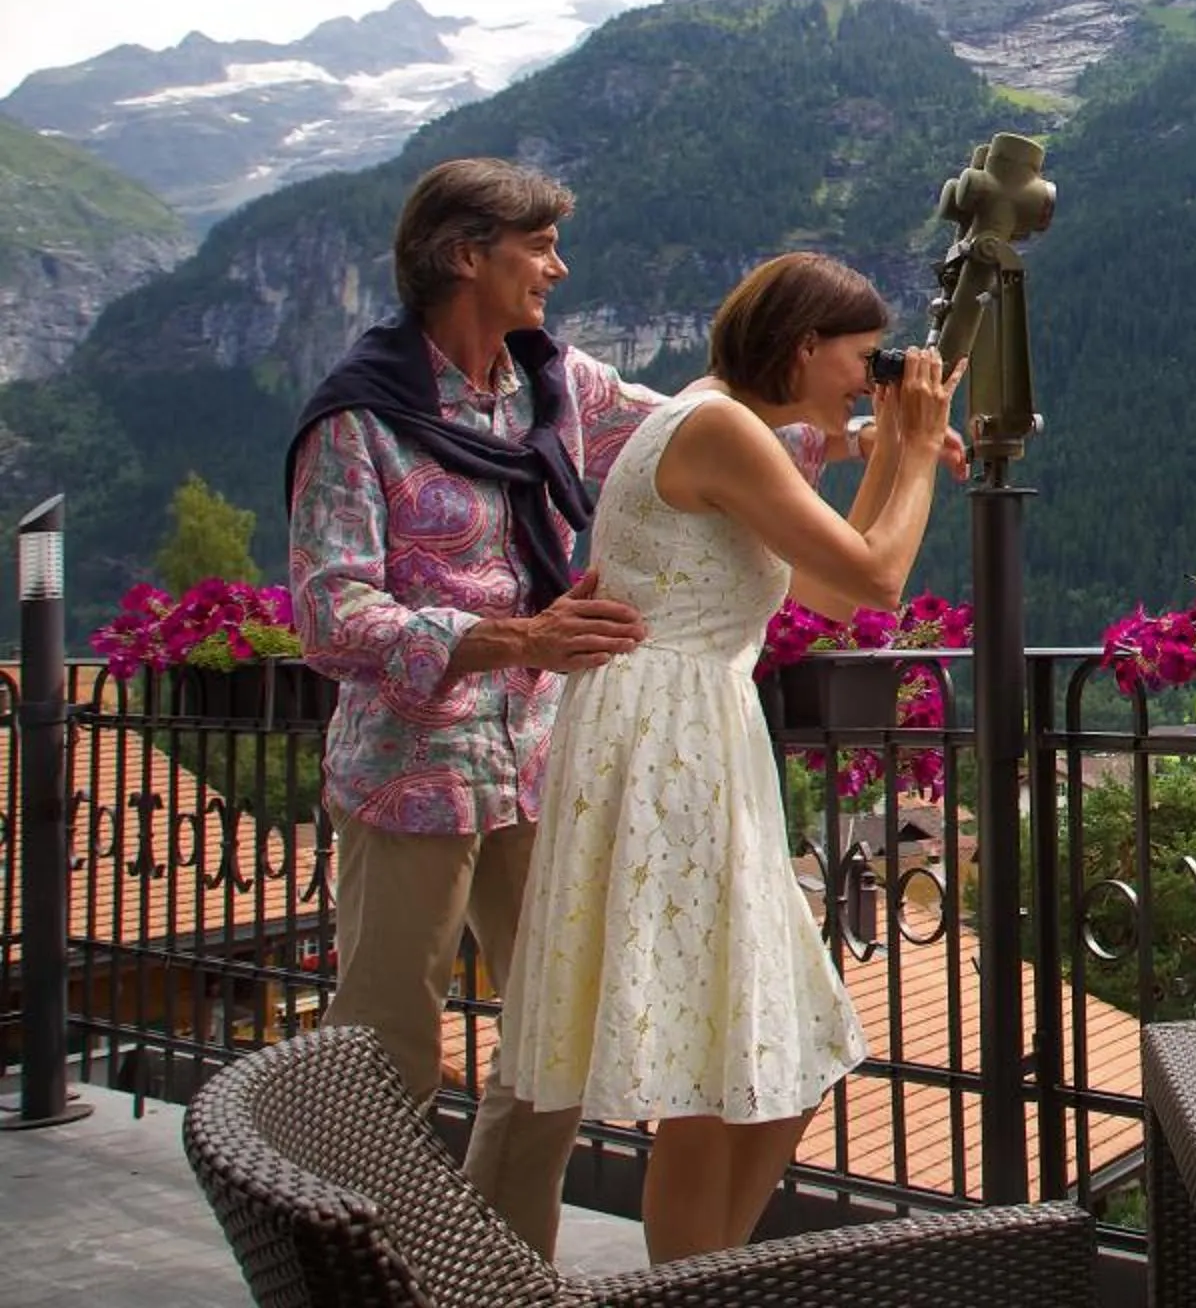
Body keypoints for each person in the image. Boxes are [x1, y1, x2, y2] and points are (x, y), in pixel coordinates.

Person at [285, 159, 909, 1257]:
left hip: (543, 757)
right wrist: (512, 637)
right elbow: (332, 614)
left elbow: (697, 433)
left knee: (548, 1061)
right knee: (385, 1053)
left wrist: (864, 433)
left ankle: (500, 1276)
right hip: (412, 767)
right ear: (465, 255)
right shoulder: (360, 418)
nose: (558, 268)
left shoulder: (554, 382)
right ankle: (350, 1274)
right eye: (538, 246)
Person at [499, 251, 960, 1264]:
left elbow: (829, 586)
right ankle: (694, 1282)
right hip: (671, 742)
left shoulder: (717, 421)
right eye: (860, 359)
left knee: (777, 1055)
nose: (866, 380)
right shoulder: (715, 427)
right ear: (802, 346)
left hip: (685, 731)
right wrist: (920, 449)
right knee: (713, 1067)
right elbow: (877, 581)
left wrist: (891, 444)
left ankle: (710, 1274)